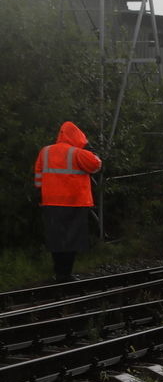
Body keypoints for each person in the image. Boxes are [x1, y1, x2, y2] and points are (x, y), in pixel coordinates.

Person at [33, 121, 102, 282]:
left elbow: (38, 176)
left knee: (56, 238)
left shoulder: (45, 151)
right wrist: (89, 149)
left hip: (51, 202)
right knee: (71, 239)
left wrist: (40, 194)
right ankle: (66, 274)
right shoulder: (77, 153)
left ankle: (58, 273)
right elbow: (96, 164)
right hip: (73, 202)